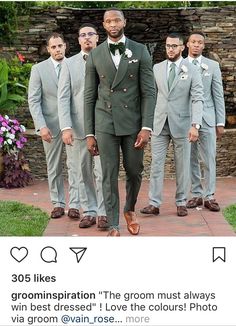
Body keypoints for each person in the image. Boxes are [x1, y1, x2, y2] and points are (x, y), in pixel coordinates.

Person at [84, 8, 156, 236]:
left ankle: (130, 209)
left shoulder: (140, 50)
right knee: (108, 173)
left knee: (135, 171)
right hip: (105, 122)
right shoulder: (95, 55)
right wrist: (89, 132)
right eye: (108, 21)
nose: (113, 24)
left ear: (124, 22)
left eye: (116, 20)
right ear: (103, 26)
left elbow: (149, 92)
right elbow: (89, 96)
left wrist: (146, 126)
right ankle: (113, 223)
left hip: (133, 123)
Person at [141, 33, 204, 217]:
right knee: (156, 164)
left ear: (182, 47)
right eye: (168, 45)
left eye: (174, 46)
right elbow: (150, 96)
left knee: (182, 166)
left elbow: (197, 98)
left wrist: (195, 125)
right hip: (159, 124)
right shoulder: (157, 68)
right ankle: (154, 203)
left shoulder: (191, 69)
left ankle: (181, 202)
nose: (170, 49)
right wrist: (147, 123)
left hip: (183, 124)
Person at [58, 23, 108, 229]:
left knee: (104, 172)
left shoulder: (109, 59)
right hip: (79, 128)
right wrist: (66, 127)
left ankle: (104, 212)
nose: (87, 38)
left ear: (98, 38)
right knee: (84, 171)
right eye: (82, 35)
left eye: (91, 34)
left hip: (105, 125)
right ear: (78, 40)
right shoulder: (68, 64)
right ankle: (90, 211)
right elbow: (63, 98)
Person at [28, 32, 78, 219]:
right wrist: (41, 126)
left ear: (65, 46)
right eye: (53, 47)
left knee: (75, 166)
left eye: (60, 46)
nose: (57, 49)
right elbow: (34, 101)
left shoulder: (75, 65)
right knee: (54, 167)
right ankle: (58, 203)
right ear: (48, 49)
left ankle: (75, 204)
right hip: (50, 126)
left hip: (73, 126)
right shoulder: (38, 69)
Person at [186, 31, 225, 212]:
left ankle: (209, 196)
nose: (196, 45)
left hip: (208, 119)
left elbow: (218, 95)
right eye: (193, 42)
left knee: (209, 158)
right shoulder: (180, 65)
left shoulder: (212, 66)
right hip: (186, 120)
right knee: (190, 159)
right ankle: (196, 194)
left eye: (199, 42)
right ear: (187, 44)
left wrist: (220, 122)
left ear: (203, 45)